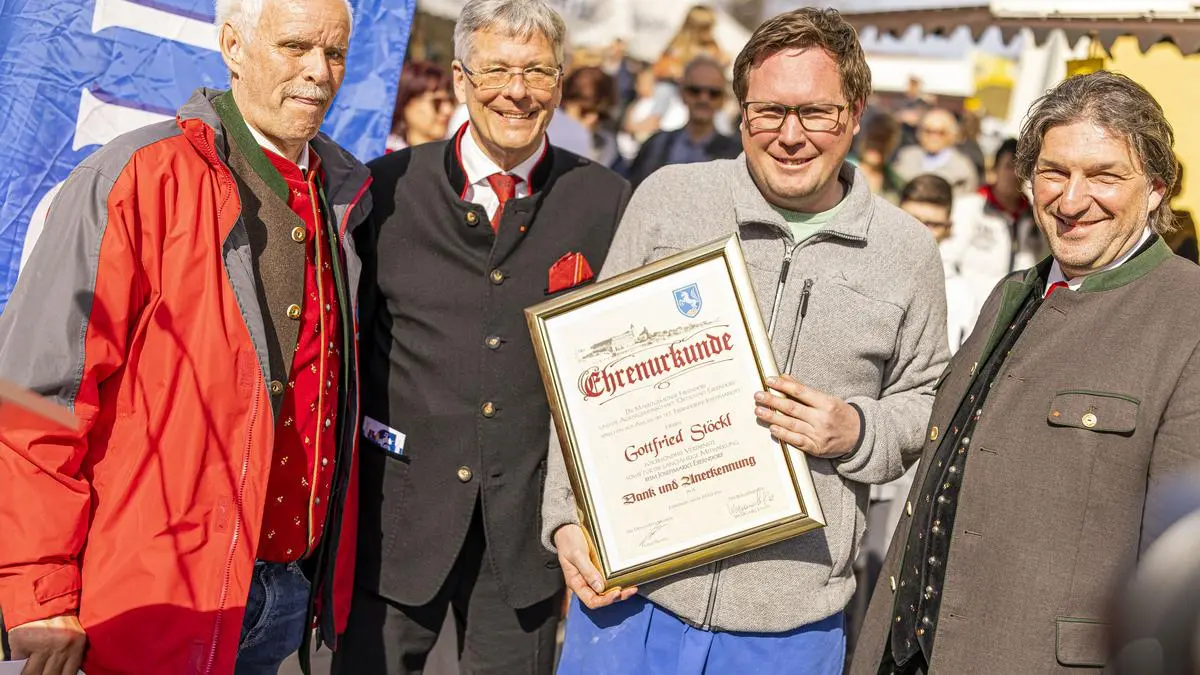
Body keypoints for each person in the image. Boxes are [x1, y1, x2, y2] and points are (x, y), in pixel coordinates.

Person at [543, 8, 949, 674]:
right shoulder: (669, 202)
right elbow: (583, 372)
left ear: (855, 112)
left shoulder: (905, 253)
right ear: (742, 113)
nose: (791, 135)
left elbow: (925, 403)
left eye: (815, 112)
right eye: (769, 111)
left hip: (788, 625)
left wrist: (855, 428)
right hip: (633, 599)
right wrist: (566, 517)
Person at [0, 0, 369, 672]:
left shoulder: (342, 193)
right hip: (151, 599)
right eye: (295, 46)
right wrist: (38, 590)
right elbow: (35, 397)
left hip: (283, 602)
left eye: (336, 52)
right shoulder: (140, 176)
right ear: (233, 44)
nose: (319, 71)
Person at [852, 70, 1200, 675]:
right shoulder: (1012, 292)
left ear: (1155, 190)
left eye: (1104, 176)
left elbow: (1181, 567)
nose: (1071, 200)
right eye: (1054, 172)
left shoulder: (1188, 316)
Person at [332, 1, 631, 673]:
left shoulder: (606, 203)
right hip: (396, 523)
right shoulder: (387, 190)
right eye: (497, 69)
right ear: (461, 78)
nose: (516, 91)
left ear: (560, 81)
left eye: (536, 72)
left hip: (527, 537)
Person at [943, 138, 1048, 301]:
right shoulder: (970, 208)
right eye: (1009, 166)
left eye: (1022, 168)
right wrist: (961, 303)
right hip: (970, 312)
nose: (1015, 174)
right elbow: (947, 261)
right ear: (994, 170)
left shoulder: (1036, 218)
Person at [626, 56, 742, 188]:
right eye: (695, 91)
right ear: (682, 93)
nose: (703, 99)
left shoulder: (737, 156)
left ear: (722, 100)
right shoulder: (655, 145)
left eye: (713, 93)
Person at [892, 107, 979, 196]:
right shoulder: (905, 157)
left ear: (951, 135)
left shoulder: (962, 166)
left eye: (940, 132)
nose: (933, 137)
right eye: (928, 131)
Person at [387, 60, 456, 152]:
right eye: (436, 103)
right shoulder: (381, 159)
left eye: (451, 101)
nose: (447, 110)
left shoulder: (458, 157)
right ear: (406, 105)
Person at [561, 66, 620, 168]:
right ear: (565, 104)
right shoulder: (542, 141)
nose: (593, 119)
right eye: (584, 112)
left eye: (602, 116)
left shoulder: (606, 145)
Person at [850, 111, 904, 202]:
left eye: (883, 139)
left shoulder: (896, 183)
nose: (877, 145)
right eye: (873, 137)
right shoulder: (842, 171)